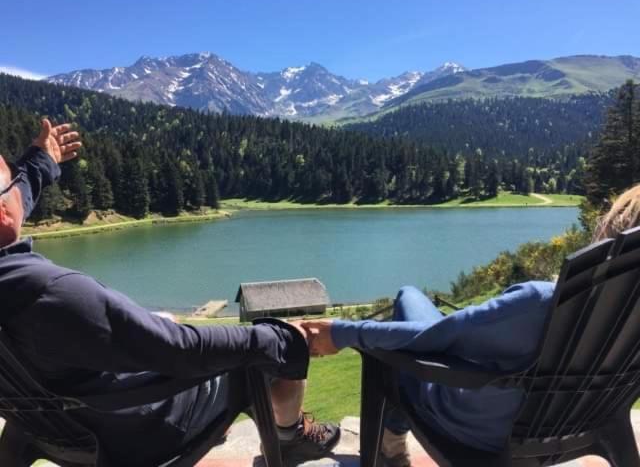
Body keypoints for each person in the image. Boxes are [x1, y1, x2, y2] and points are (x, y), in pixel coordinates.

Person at [0, 119, 340, 466]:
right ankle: (290, 436)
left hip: (52, 427)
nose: (19, 189)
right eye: (15, 181)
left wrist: (38, 164)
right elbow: (180, 349)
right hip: (134, 434)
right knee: (265, 351)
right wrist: (282, 337)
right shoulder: (49, 293)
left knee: (163, 320)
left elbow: (10, 206)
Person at [301, 188, 640, 467]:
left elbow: (435, 339)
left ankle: (390, 443)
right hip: (583, 419)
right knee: (414, 304)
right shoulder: (620, 319)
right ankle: (392, 442)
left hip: (476, 429)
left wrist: (343, 332)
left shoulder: (542, 303)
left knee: (406, 302)